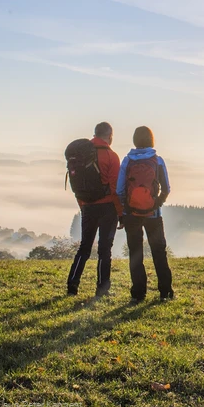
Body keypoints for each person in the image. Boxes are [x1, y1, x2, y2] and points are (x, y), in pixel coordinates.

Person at [116, 125, 174, 303]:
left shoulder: (127, 161)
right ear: (151, 140)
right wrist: (156, 204)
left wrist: (127, 208)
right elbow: (167, 188)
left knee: (135, 253)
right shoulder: (158, 160)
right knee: (159, 252)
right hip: (153, 214)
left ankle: (138, 293)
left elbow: (119, 190)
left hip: (131, 214)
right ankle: (165, 292)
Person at [66, 122, 122, 297]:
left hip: (87, 206)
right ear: (110, 135)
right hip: (107, 207)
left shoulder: (81, 154)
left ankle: (72, 285)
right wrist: (121, 212)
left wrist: (83, 205)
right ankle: (102, 288)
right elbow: (115, 188)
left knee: (84, 247)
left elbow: (77, 184)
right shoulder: (111, 156)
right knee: (105, 249)